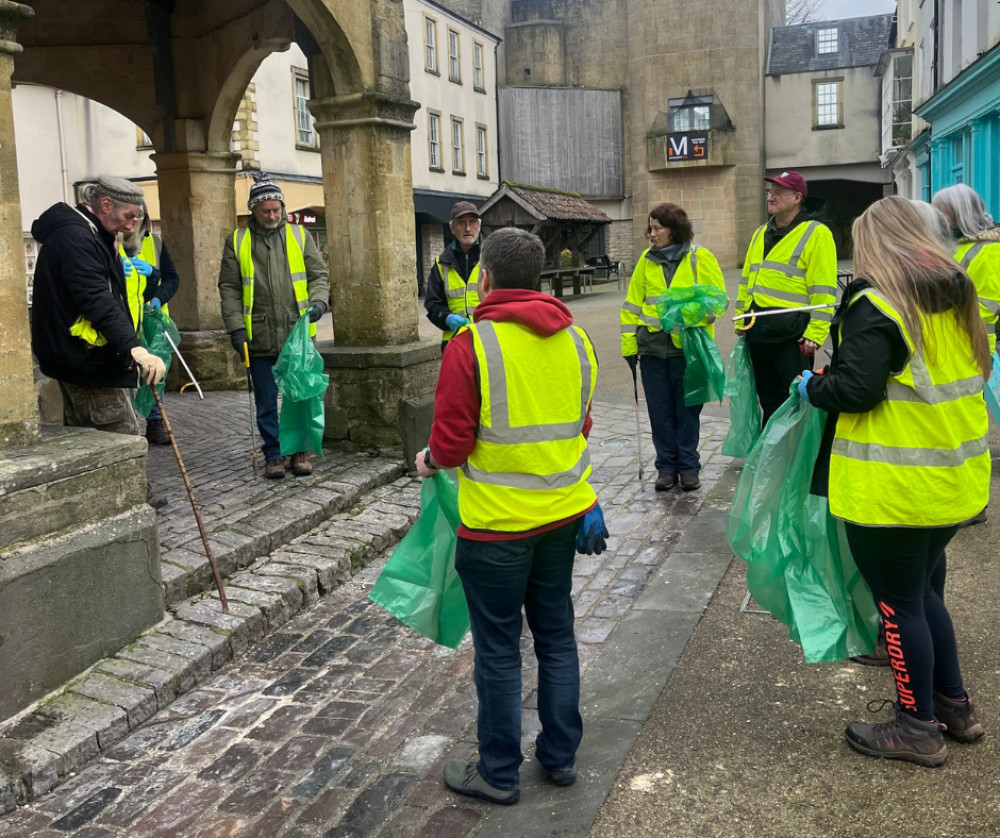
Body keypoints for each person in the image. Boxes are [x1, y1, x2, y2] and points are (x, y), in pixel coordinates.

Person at [414, 226, 607, 804]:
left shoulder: (471, 345)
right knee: (555, 637)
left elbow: (450, 444)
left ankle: (498, 772)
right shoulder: (577, 341)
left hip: (495, 526)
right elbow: (582, 424)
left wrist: (426, 461)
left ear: (486, 278)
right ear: (540, 277)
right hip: (561, 521)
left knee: (499, 650)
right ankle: (560, 756)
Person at [799, 196, 989, 766]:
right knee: (925, 594)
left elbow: (855, 390)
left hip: (893, 489)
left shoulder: (876, 302)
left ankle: (916, 726)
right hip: (951, 480)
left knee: (900, 604)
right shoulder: (952, 295)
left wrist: (810, 388)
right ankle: (953, 705)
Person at [30, 175, 167, 506]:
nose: (135, 223)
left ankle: (108, 501)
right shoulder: (77, 238)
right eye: (131, 215)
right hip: (87, 357)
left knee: (89, 433)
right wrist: (133, 346)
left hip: (84, 354)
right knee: (119, 433)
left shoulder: (95, 233)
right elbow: (95, 299)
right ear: (106, 205)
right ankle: (128, 502)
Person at [218, 172, 330, 479]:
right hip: (258, 335)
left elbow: (318, 275)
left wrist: (319, 302)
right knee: (266, 402)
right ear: (253, 209)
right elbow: (229, 287)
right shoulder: (237, 242)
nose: (272, 215)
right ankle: (273, 454)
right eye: (265, 210)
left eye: (276, 209)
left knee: (299, 397)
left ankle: (299, 452)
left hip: (297, 333)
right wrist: (235, 327)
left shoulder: (299, 236)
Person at [621, 202, 727, 492]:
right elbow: (631, 306)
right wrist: (629, 346)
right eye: (650, 228)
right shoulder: (645, 260)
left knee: (687, 410)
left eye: (657, 228)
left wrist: (681, 316)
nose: (651, 234)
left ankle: (689, 468)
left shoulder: (699, 257)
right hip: (652, 349)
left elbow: (717, 303)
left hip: (689, 349)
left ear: (674, 229)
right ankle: (666, 468)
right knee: (660, 411)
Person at [735, 171, 837, 427]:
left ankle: (795, 460)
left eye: (778, 192)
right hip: (758, 331)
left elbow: (823, 288)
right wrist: (741, 317)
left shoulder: (816, 233)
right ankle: (772, 456)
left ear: (797, 198)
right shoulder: (760, 233)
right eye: (770, 192)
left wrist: (816, 331)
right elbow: (747, 279)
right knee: (768, 399)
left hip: (793, 335)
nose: (771, 197)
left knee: (795, 399)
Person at [121, 200, 180, 446]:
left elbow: (172, 278)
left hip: (151, 320)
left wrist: (157, 290)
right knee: (125, 373)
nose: (134, 223)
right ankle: (127, 423)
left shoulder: (155, 243)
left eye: (139, 217)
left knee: (155, 371)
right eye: (129, 216)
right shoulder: (110, 243)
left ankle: (156, 422)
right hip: (122, 320)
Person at [932, 183, 1000, 355]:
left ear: (960, 213)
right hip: (959, 342)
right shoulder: (957, 245)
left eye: (941, 212)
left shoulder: (988, 250)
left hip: (979, 346)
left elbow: (986, 307)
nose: (936, 218)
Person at [424, 201, 481, 351]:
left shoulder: (492, 259)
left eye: (472, 222)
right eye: (461, 223)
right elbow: (432, 304)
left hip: (487, 340)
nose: (468, 228)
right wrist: (447, 318)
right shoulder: (441, 264)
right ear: (452, 228)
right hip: (454, 343)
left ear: (479, 226)